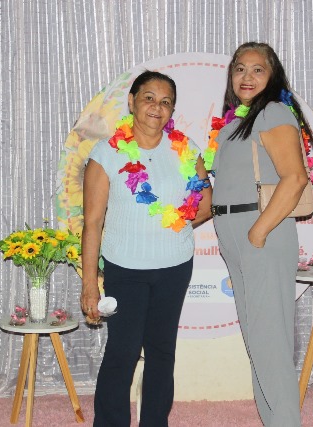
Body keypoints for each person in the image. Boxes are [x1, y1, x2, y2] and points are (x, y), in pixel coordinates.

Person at [80, 70, 212, 426]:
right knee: (122, 353)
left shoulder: (187, 150)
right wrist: (89, 283)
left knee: (161, 352)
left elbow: (204, 204)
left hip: (174, 268)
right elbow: (93, 222)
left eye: (166, 101)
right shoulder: (107, 153)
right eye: (149, 98)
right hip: (125, 269)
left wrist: (171, 227)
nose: (157, 107)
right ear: (132, 101)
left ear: (172, 110)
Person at [208, 42, 313, 426]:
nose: (247, 77)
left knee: (270, 340)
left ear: (273, 76)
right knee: (258, 340)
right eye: (240, 68)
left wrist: (258, 231)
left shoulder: (273, 112)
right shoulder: (237, 121)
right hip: (236, 232)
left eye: (257, 69)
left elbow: (295, 177)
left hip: (260, 232)